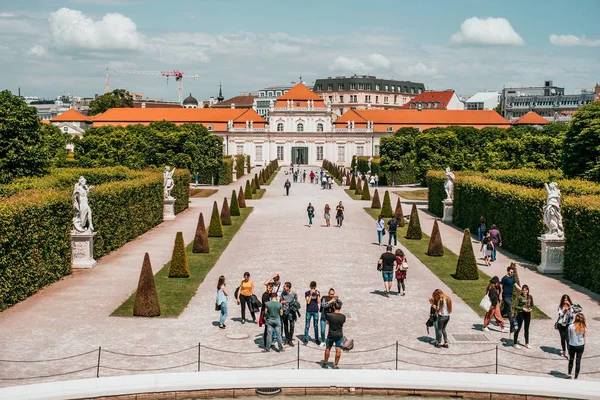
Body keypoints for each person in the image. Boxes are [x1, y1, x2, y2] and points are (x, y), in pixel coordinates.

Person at [323, 301, 346, 369]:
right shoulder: (343, 316)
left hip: (331, 334)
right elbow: (342, 323)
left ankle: (325, 362)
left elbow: (327, 322)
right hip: (339, 334)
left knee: (328, 348)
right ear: (340, 308)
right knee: (338, 349)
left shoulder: (329, 315)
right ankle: (335, 365)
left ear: (334, 307)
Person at [513, 284, 534, 349]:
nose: (525, 291)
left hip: (527, 314)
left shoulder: (530, 297)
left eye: (526, 290)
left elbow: (532, 305)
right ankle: (515, 343)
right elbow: (515, 306)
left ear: (528, 290)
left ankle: (527, 343)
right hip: (521, 313)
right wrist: (522, 308)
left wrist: (531, 309)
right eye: (523, 290)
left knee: (526, 328)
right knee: (518, 328)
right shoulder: (520, 297)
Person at [501, 265, 521, 333]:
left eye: (513, 272)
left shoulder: (512, 278)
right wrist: (500, 296)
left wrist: (521, 290)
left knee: (505, 309)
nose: (512, 273)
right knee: (509, 309)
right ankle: (512, 324)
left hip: (510, 296)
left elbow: (515, 285)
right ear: (508, 271)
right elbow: (501, 286)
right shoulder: (505, 278)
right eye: (511, 272)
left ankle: (499, 317)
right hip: (505, 296)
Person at [567, 313, 587, 379]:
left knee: (571, 360)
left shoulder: (571, 326)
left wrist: (570, 344)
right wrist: (584, 345)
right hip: (580, 345)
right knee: (578, 362)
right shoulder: (584, 327)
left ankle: (569, 374)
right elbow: (584, 337)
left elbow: (569, 337)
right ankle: (576, 376)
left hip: (572, 345)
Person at [281, 282, 298, 346]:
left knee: (292, 326)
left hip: (291, 311)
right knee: (285, 326)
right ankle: (287, 339)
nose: (283, 288)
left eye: (285, 286)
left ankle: (290, 340)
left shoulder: (294, 293)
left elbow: (296, 301)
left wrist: (294, 306)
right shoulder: (283, 293)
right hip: (285, 311)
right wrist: (283, 302)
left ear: (288, 287)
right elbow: (281, 301)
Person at [304, 281, 321, 345]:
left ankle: (316, 339)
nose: (313, 289)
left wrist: (318, 295)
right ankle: (306, 339)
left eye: (314, 287)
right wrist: (311, 294)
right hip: (308, 310)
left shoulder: (317, 292)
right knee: (307, 325)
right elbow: (308, 302)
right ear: (310, 287)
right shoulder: (307, 293)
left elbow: (318, 302)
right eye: (312, 287)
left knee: (316, 325)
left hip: (315, 310)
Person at [260, 283, 274, 348]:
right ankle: (266, 344)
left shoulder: (271, 294)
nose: (270, 289)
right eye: (269, 288)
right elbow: (267, 305)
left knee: (270, 329)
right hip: (266, 314)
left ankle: (269, 342)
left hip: (271, 313)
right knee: (267, 329)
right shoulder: (265, 295)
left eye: (271, 288)